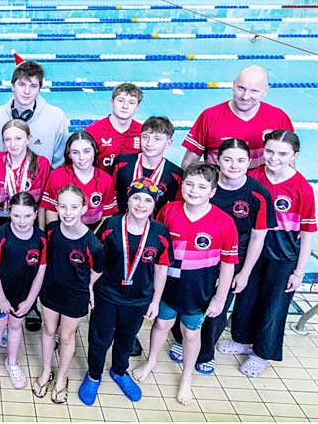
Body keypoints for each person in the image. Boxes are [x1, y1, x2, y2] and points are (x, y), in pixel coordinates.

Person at [132, 163, 238, 406]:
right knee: (161, 324)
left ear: (212, 191)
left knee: (191, 333)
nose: (193, 190)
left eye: (201, 186)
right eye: (189, 184)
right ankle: (151, 361)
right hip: (168, 286)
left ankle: (187, 376)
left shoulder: (223, 222)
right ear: (182, 186)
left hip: (198, 291)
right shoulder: (169, 211)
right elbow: (156, 250)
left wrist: (220, 298)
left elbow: (228, 264)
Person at [168, 138, 275, 374]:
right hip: (195, 254)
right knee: (185, 298)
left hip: (232, 258)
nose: (234, 165)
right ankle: (182, 339)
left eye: (240, 160)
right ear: (218, 159)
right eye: (228, 159)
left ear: (249, 161)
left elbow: (258, 237)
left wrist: (245, 272)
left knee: (218, 304)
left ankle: (206, 352)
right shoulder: (203, 184)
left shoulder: (258, 194)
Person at [226, 131, 316, 377]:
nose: (275, 158)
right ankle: (243, 340)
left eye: (283, 154)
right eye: (270, 152)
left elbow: (307, 233)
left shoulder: (302, 188)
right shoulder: (253, 177)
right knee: (246, 297)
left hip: (283, 256)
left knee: (274, 306)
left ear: (294, 155)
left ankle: (262, 353)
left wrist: (299, 271)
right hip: (253, 251)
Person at [78, 178, 171, 405]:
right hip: (107, 294)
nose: (141, 204)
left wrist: (155, 301)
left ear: (154, 204)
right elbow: (96, 262)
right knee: (99, 338)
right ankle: (94, 375)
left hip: (138, 298)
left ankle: (119, 371)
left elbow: (161, 267)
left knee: (126, 338)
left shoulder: (159, 232)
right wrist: (89, 287)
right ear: (127, 200)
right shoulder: (110, 225)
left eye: (147, 200)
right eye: (136, 198)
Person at [35, 185, 104, 403]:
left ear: (83, 208)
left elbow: (97, 270)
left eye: (74, 207)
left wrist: (89, 286)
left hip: (75, 295)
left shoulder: (92, 244)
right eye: (63, 206)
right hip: (51, 289)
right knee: (49, 330)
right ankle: (46, 370)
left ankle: (62, 377)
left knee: (66, 336)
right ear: (56, 207)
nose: (67, 212)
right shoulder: (52, 231)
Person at [0, 193, 46, 391]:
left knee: (16, 325)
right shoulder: (1, 235)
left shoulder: (41, 239)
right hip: (0, 291)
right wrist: (1, 299)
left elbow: (41, 272)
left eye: (27, 216)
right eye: (17, 215)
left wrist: (30, 300)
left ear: (35, 214)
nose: (22, 221)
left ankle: (12, 362)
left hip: (24, 293)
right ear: (9, 212)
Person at [181, 66, 293, 170]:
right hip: (218, 183)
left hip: (261, 185)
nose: (245, 96)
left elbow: (289, 163)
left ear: (265, 91)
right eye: (241, 88)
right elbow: (189, 163)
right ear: (233, 85)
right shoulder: (210, 116)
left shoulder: (279, 117)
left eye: (254, 91)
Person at [0, 58, 68, 169]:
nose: (27, 91)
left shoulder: (56, 118)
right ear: (12, 85)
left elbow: (60, 165)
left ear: (39, 89)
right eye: (22, 84)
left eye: (33, 86)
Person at [42, 131, 117, 231]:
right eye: (75, 152)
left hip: (95, 231)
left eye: (86, 151)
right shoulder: (57, 176)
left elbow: (107, 216)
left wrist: (93, 237)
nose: (81, 157)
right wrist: (58, 235)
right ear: (69, 154)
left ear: (95, 151)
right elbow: (51, 212)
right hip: (63, 230)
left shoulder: (105, 179)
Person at [0, 119, 51, 230]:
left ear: (28, 139)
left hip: (29, 221)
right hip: (0, 220)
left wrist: (41, 231)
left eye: (18, 138)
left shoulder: (42, 163)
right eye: (7, 139)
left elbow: (43, 203)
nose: (13, 144)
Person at [113, 116, 183, 216]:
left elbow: (175, 208)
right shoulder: (121, 163)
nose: (149, 143)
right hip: (120, 221)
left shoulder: (176, 175)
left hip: (153, 224)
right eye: (145, 137)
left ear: (168, 143)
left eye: (157, 139)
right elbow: (109, 195)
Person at [84, 83, 143, 175]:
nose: (125, 106)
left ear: (137, 107)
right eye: (120, 100)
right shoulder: (93, 132)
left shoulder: (143, 133)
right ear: (111, 102)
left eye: (131, 102)